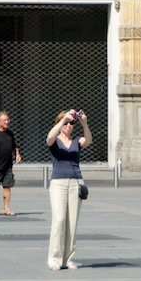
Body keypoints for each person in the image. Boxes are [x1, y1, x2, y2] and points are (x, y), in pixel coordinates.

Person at [46, 108, 90, 271]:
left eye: (72, 123)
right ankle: (54, 258)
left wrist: (84, 123)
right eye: (67, 123)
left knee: (72, 222)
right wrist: (63, 119)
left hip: (76, 182)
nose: (70, 126)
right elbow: (49, 137)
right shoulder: (55, 140)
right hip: (58, 182)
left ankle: (68, 258)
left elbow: (88, 141)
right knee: (59, 220)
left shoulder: (77, 141)